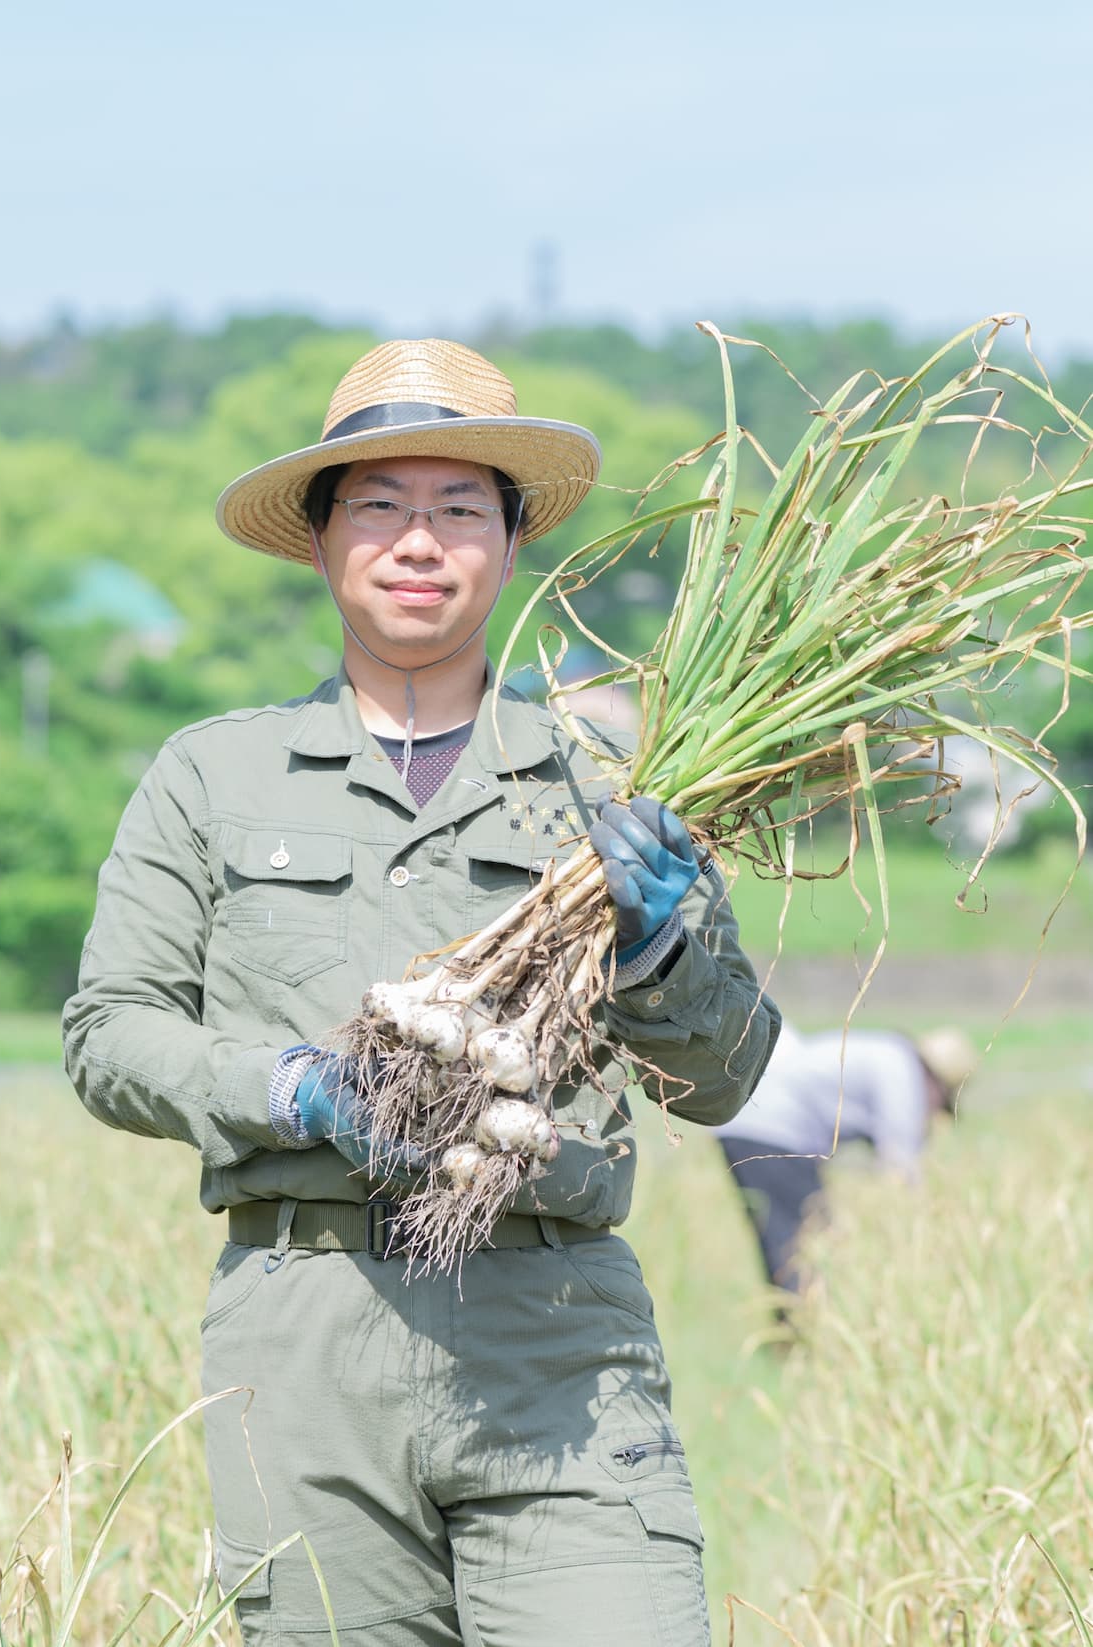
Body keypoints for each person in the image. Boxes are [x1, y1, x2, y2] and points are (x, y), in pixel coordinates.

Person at [63, 338, 780, 1647]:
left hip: (555, 1333)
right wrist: (294, 1088)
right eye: (379, 504)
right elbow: (110, 1035)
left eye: (459, 507)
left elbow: (724, 1079)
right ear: (320, 539)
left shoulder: (614, 781)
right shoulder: (214, 775)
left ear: (510, 543)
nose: (418, 540)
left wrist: (659, 947)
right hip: (301, 1335)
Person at [713, 1020, 975, 1295]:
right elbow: (900, 1164)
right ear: (937, 1084)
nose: (933, 1114)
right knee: (807, 1247)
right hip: (776, 1132)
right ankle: (805, 1317)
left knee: (788, 1244)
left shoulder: (886, 1052)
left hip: (747, 1122)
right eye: (941, 1104)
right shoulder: (903, 1072)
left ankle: (795, 1315)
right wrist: (923, 1233)